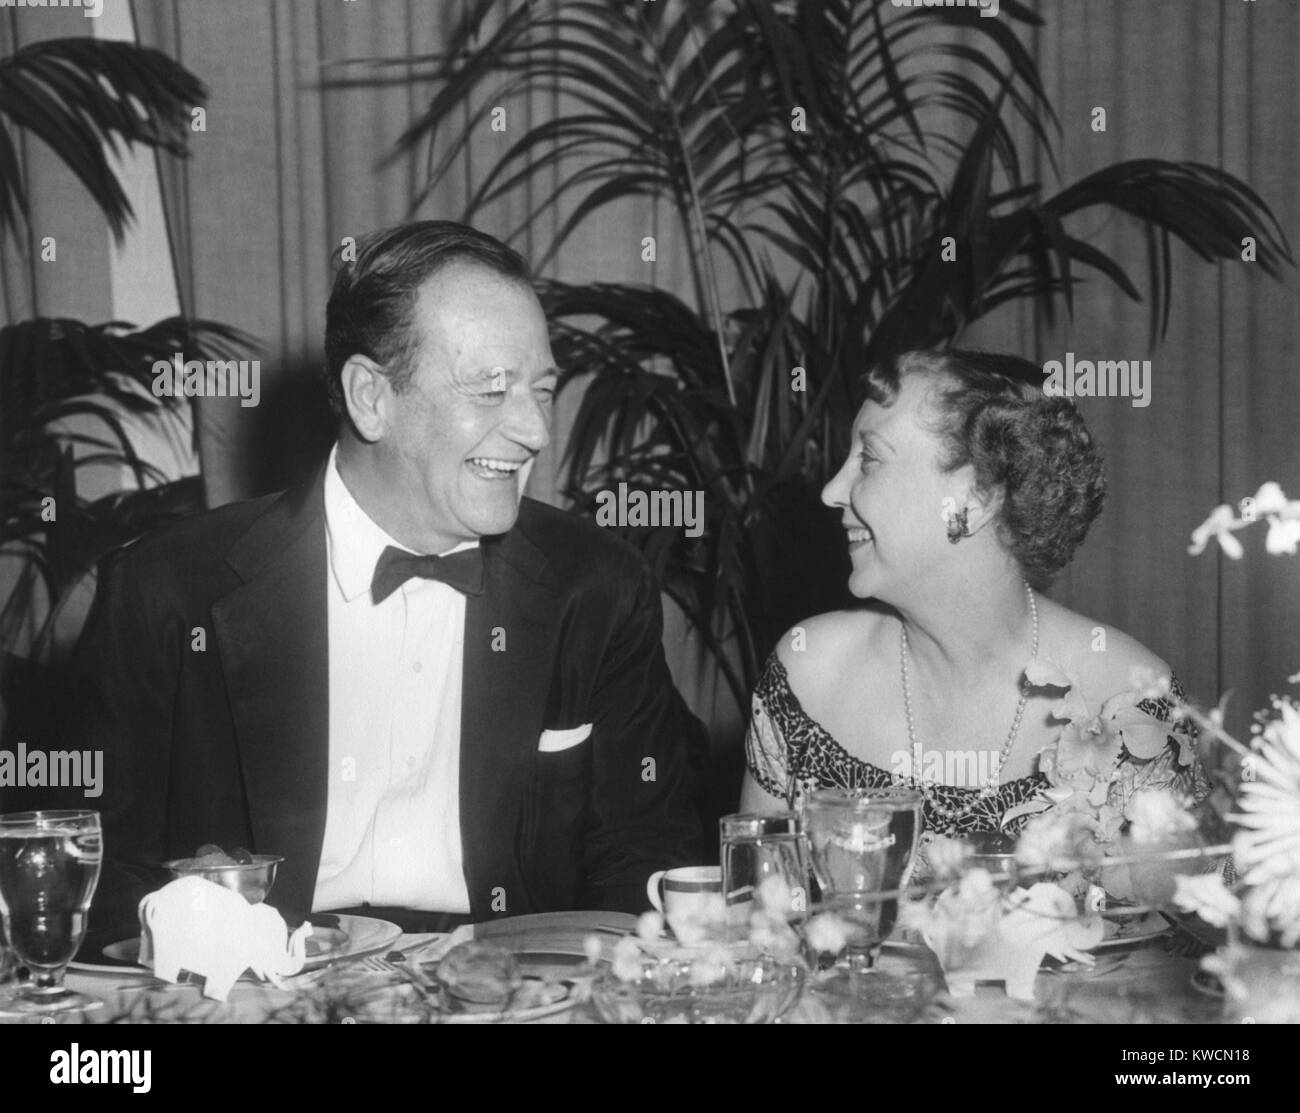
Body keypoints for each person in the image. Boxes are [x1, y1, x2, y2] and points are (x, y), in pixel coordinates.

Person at [63, 220, 707, 949]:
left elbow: (646, 854)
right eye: (491, 390)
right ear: (371, 396)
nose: (534, 430)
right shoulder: (167, 591)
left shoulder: (597, 587)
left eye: (542, 390)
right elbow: (93, 872)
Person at [740, 348, 1199, 842]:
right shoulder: (810, 674)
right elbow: (752, 904)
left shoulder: (1129, 701)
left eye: (869, 459)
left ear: (975, 500)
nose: (831, 490)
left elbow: (1188, 913)